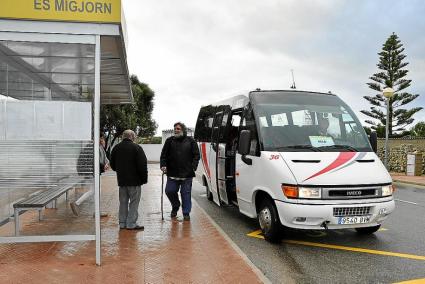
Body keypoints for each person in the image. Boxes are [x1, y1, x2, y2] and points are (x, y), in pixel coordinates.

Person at [160, 122, 200, 221]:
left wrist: (193, 167)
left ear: (183, 130)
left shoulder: (191, 141)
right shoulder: (169, 141)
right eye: (175, 129)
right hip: (172, 173)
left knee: (185, 193)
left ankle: (186, 213)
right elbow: (163, 154)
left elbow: (196, 155)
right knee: (169, 191)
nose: (176, 130)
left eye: (178, 128)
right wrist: (163, 165)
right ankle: (176, 205)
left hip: (187, 174)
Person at [110, 129, 148, 230]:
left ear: (123, 136)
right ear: (132, 137)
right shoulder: (137, 148)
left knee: (123, 202)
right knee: (134, 203)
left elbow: (112, 164)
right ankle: (131, 223)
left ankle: (122, 223)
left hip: (122, 181)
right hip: (135, 181)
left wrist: (119, 171)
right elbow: (142, 166)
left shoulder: (116, 148)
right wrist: (143, 179)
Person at [71, 133, 109, 216]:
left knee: (94, 190)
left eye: (103, 139)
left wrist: (106, 163)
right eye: (101, 138)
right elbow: (94, 161)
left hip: (94, 172)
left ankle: (78, 204)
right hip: (92, 172)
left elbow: (105, 158)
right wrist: (103, 166)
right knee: (95, 190)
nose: (103, 140)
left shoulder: (99, 147)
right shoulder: (92, 147)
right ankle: (96, 211)